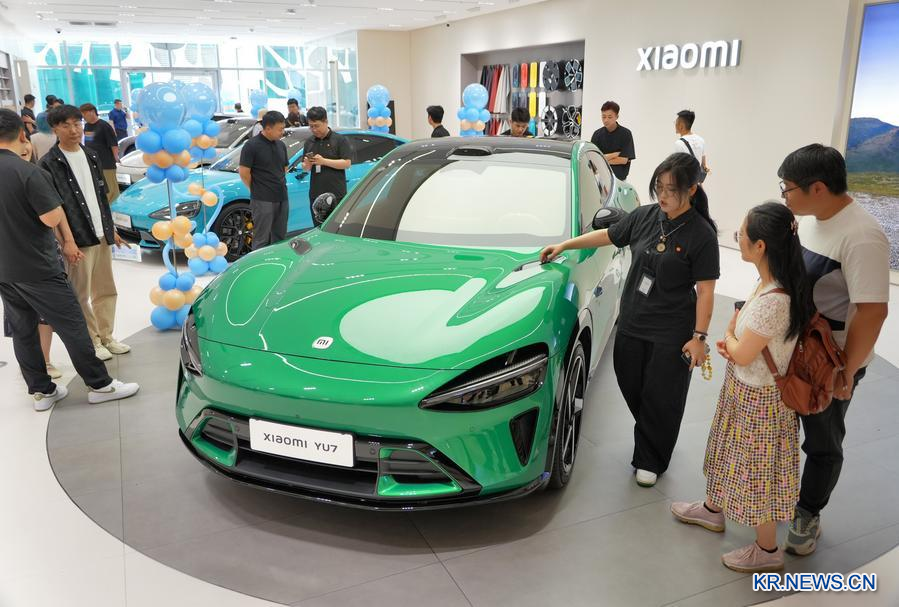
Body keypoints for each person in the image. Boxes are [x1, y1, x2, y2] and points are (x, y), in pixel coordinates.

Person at [541, 153, 719, 487]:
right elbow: (608, 235)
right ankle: (655, 430)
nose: (662, 195)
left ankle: (651, 458)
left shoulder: (702, 234)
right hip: (633, 321)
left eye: (671, 190)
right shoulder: (645, 216)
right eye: (659, 187)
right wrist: (565, 245)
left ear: (692, 190)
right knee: (630, 381)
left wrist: (699, 337)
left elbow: (706, 291)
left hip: (672, 330)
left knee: (662, 395)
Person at [672, 202, 814, 573]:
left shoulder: (775, 299)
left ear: (761, 246)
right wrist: (734, 343)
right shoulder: (769, 283)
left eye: (743, 233)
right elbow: (741, 348)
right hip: (745, 388)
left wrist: (731, 336)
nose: (738, 237)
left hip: (760, 399)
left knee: (756, 472)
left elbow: (742, 350)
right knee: (728, 453)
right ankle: (712, 508)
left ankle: (767, 550)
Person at [776, 144, 890, 556]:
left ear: (818, 188)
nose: (783, 195)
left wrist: (847, 370)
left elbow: (873, 311)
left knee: (822, 441)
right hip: (796, 348)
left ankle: (808, 512)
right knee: (782, 426)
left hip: (830, 361)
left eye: (787, 188)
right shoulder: (812, 220)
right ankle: (778, 496)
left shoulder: (862, 237)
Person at [0, 109, 139, 410]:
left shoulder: (83, 157)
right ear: (22, 134)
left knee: (23, 331)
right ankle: (100, 385)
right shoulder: (30, 171)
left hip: (6, 269)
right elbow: (51, 218)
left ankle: (41, 391)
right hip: (38, 266)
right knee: (73, 323)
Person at [41, 104, 132, 362]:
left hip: (101, 234)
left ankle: (107, 336)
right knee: (81, 295)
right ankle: (92, 341)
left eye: (77, 124)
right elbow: (53, 208)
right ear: (55, 129)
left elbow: (101, 196)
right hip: (78, 239)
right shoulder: (49, 162)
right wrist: (66, 242)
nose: (74, 130)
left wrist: (111, 229)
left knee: (106, 289)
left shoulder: (91, 155)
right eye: (66, 125)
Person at [239, 111, 289, 250]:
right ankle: (258, 263)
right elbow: (244, 172)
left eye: (283, 128)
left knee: (280, 236)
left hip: (281, 196)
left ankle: (278, 261)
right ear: (268, 128)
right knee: (262, 238)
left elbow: (284, 168)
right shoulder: (251, 145)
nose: (282, 132)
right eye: (280, 129)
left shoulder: (281, 145)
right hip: (262, 198)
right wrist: (256, 188)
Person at [302, 106, 352, 222]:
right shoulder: (309, 142)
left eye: (317, 126)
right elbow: (306, 168)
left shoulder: (339, 140)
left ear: (326, 122)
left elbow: (347, 163)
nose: (314, 130)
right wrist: (307, 164)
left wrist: (324, 161)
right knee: (318, 226)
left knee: (335, 226)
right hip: (316, 194)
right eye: (311, 126)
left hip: (336, 194)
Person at [79, 103, 121, 203]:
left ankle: (114, 207)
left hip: (106, 162)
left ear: (92, 112)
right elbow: (88, 142)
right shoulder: (87, 126)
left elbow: (113, 144)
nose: (83, 117)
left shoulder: (104, 126)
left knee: (111, 188)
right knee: (100, 188)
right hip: (93, 162)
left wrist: (115, 157)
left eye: (84, 114)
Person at [590, 101, 635, 181]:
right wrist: (615, 154)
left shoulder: (626, 134)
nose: (606, 120)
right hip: (600, 179)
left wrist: (602, 159)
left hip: (620, 180)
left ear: (617, 116)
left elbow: (623, 160)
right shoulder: (597, 134)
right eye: (603, 117)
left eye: (610, 117)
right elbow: (594, 159)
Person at [674, 110, 710, 183]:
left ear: (681, 126)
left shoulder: (679, 143)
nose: (675, 125)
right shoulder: (701, 140)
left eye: (676, 123)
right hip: (696, 183)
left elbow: (678, 169)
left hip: (685, 184)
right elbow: (703, 166)